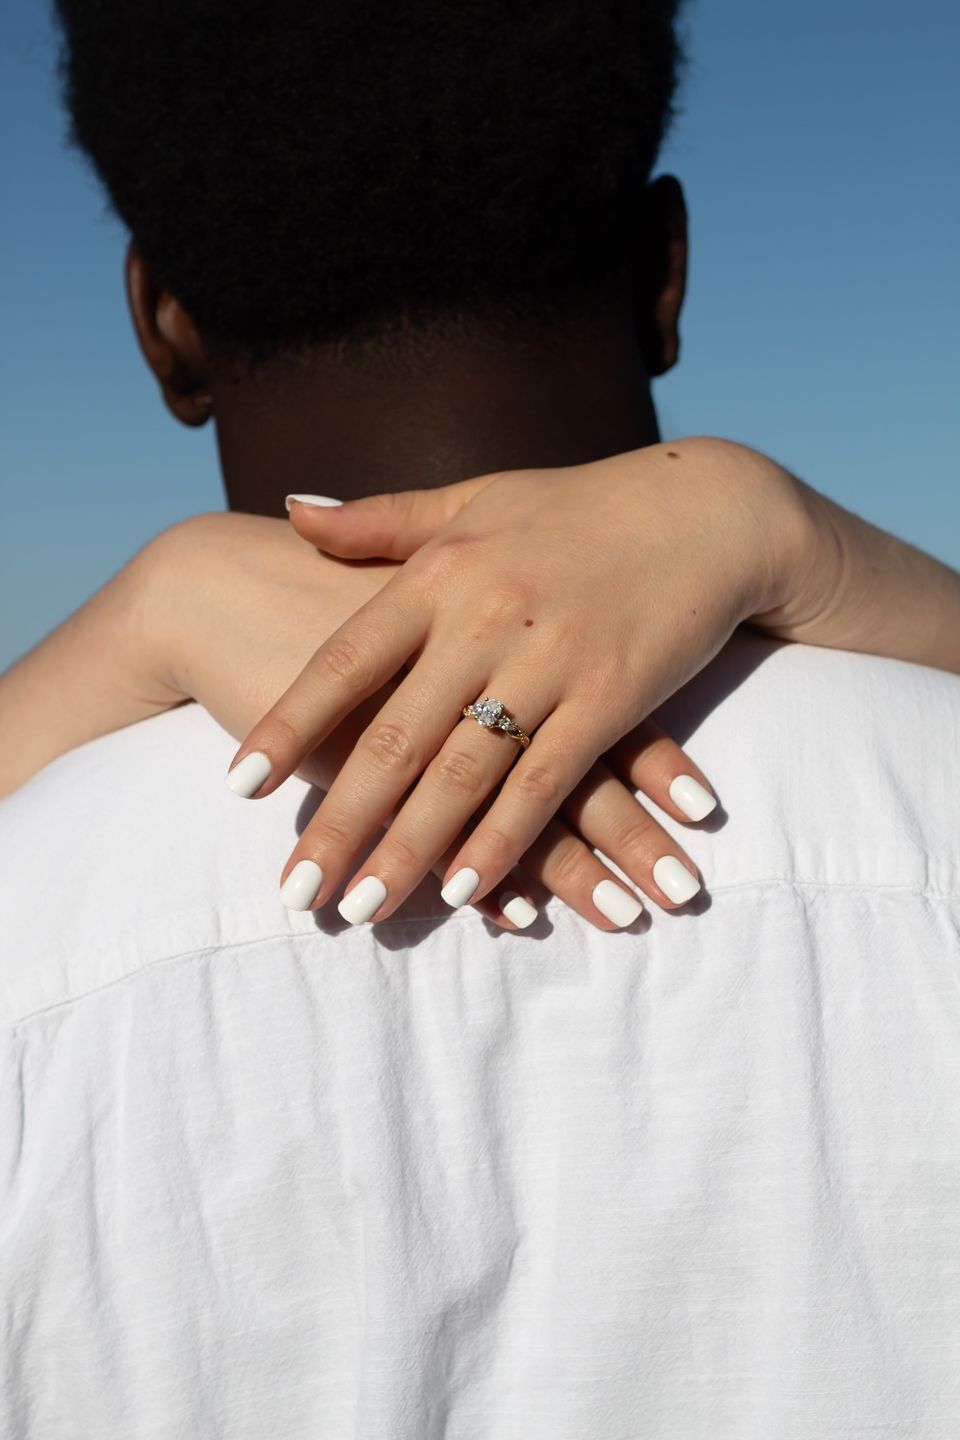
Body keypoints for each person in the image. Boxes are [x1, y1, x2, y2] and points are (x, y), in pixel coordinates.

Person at [1, 2, 958, 1436]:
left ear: (162, 326)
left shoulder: (37, 919)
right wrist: (806, 537)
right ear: (662, 273)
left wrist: (124, 626)